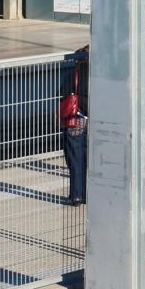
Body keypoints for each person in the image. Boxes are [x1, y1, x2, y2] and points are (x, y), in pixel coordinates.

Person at [58, 46, 90, 206]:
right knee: (91, 158)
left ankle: (76, 195)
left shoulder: (74, 75)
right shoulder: (102, 75)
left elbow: (63, 94)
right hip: (97, 120)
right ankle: (89, 193)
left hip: (77, 119)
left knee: (75, 157)